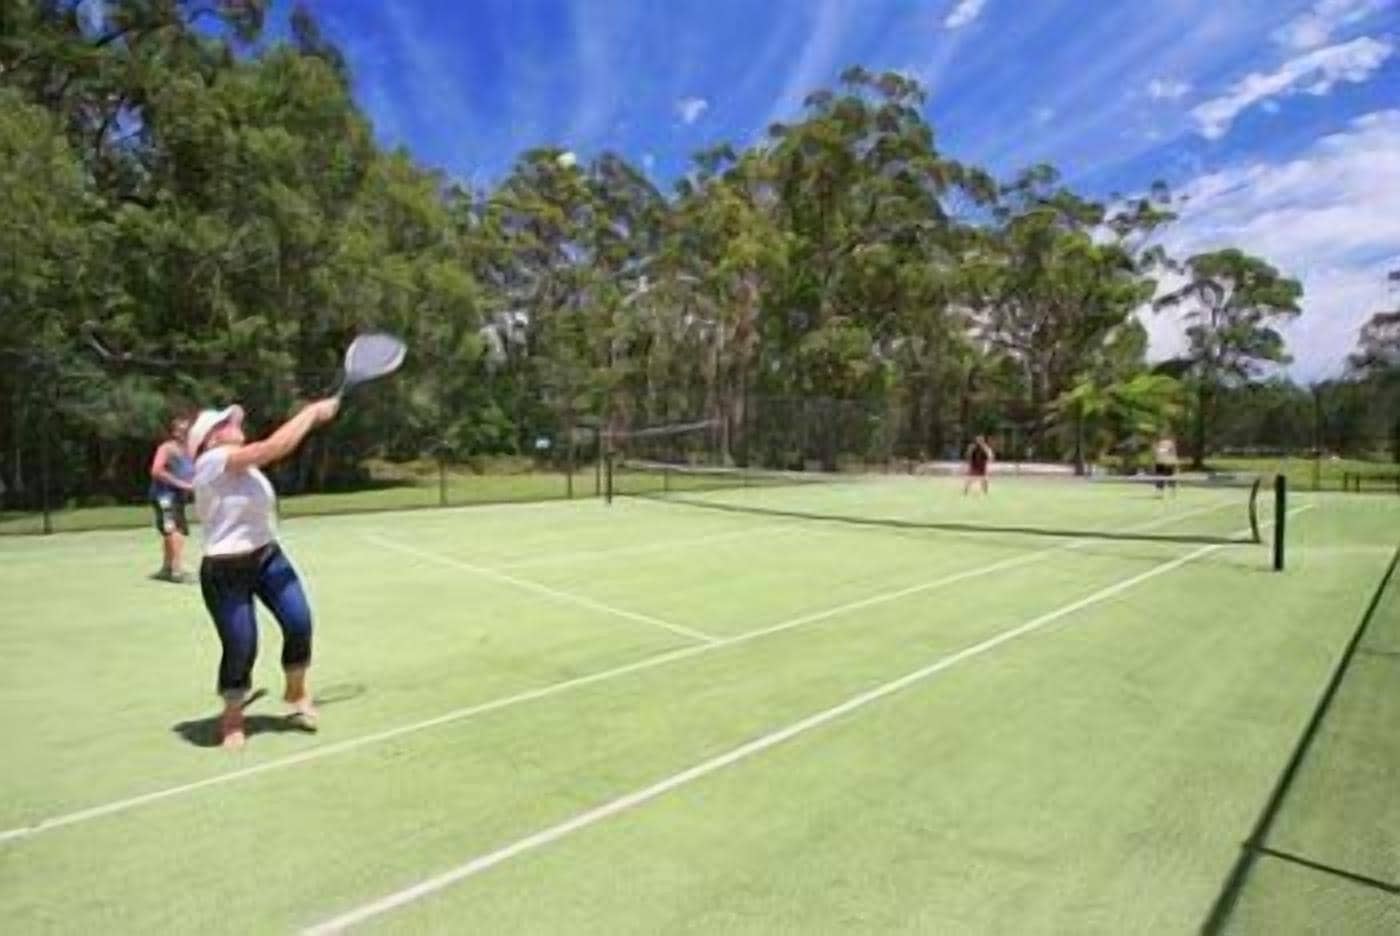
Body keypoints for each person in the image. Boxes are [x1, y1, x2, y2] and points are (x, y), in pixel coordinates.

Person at [186, 397, 340, 750]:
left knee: (299, 622)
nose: (234, 423)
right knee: (242, 646)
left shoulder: (246, 470)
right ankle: (232, 717)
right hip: (225, 571)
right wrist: (312, 413)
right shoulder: (209, 463)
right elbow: (275, 447)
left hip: (269, 559)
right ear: (209, 441)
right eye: (224, 422)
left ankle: (296, 691)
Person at [149, 415, 194, 583]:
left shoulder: (190, 450)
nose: (185, 433)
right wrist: (182, 484)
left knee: (174, 529)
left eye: (188, 430)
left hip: (178, 498)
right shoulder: (167, 448)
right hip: (164, 496)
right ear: (174, 432)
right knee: (173, 529)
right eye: (181, 430)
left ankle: (167, 567)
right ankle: (176, 569)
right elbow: (156, 471)